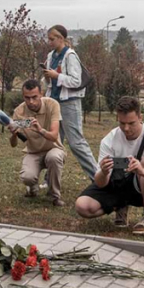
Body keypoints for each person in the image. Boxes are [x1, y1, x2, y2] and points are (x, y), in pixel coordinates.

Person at [75, 96, 144, 235]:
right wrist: (103, 172)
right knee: (82, 206)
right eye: (122, 123)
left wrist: (142, 171)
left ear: (140, 117)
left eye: (131, 123)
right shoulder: (109, 140)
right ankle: (119, 206)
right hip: (117, 184)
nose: (126, 128)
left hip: (141, 187)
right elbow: (101, 183)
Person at [42, 25, 98, 179]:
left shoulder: (70, 55)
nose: (50, 42)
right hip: (54, 103)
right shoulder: (50, 56)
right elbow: (49, 81)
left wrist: (56, 76)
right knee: (54, 143)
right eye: (49, 39)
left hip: (69, 103)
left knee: (76, 143)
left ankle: (99, 178)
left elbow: (75, 80)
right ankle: (50, 180)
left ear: (61, 38)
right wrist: (47, 77)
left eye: (52, 39)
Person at [9, 79, 66, 207]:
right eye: (27, 98)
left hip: (53, 148)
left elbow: (54, 136)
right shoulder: (19, 112)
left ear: (42, 94)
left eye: (34, 97)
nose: (31, 102)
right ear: (23, 96)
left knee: (54, 158)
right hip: (33, 152)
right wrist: (14, 134)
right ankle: (32, 189)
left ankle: (55, 196)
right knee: (27, 177)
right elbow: (15, 144)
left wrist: (40, 130)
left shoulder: (52, 105)